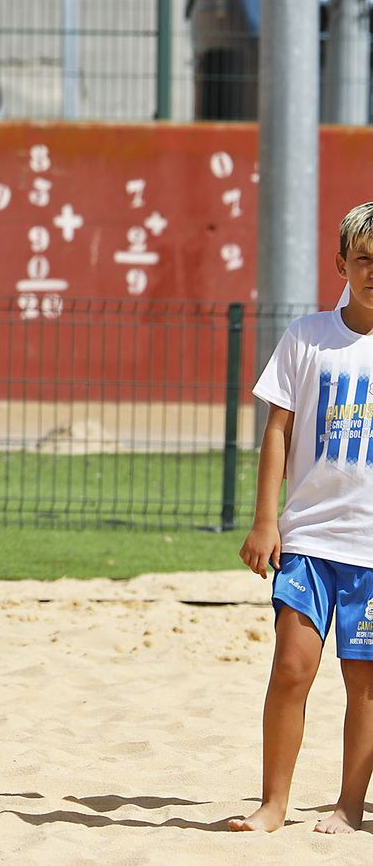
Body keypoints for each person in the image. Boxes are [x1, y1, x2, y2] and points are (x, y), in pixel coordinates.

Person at [231, 201, 373, 835]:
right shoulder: (307, 336)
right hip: (310, 536)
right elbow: (278, 431)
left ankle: (348, 807)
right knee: (291, 668)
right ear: (342, 263)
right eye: (365, 258)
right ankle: (274, 804)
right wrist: (267, 521)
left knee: (364, 685)